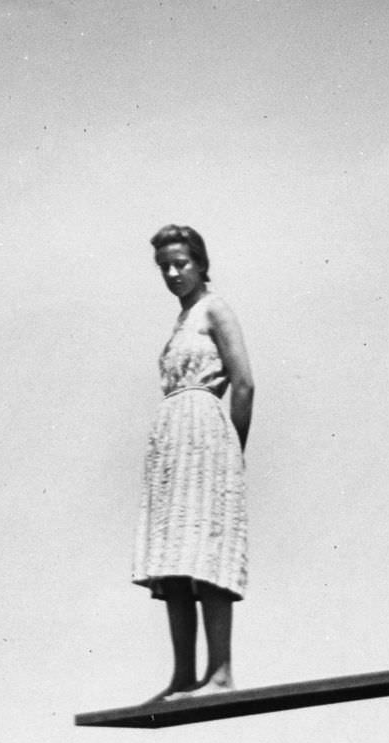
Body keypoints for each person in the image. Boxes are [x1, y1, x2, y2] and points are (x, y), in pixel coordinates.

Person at [132, 225, 254, 701]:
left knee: (206, 550)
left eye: (181, 262)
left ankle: (219, 673)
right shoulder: (180, 320)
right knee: (174, 556)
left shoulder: (214, 309)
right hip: (172, 441)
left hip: (206, 434)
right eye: (164, 265)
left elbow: (243, 383)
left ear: (201, 262)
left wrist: (232, 453)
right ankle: (184, 676)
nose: (173, 272)